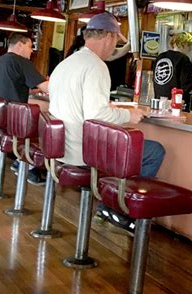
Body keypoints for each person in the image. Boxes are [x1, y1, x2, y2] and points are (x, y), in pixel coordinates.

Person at [49, 12, 165, 233]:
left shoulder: (67, 63)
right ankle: (115, 208)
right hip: (83, 150)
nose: (114, 48)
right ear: (109, 37)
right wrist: (128, 116)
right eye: (115, 42)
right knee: (153, 151)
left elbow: (87, 107)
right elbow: (96, 115)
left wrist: (114, 108)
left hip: (62, 146)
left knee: (133, 150)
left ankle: (108, 205)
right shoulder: (96, 66)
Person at [0, 33, 49, 184]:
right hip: (11, 121)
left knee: (37, 116)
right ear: (20, 45)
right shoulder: (21, 61)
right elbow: (47, 87)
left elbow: (10, 85)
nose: (32, 50)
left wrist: (33, 91)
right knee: (45, 124)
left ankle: (21, 162)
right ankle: (30, 167)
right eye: (30, 46)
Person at [152, 32, 192, 111]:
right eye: (189, 45)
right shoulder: (183, 59)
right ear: (184, 44)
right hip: (175, 105)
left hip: (159, 103)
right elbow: (186, 86)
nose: (189, 49)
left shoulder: (160, 57)